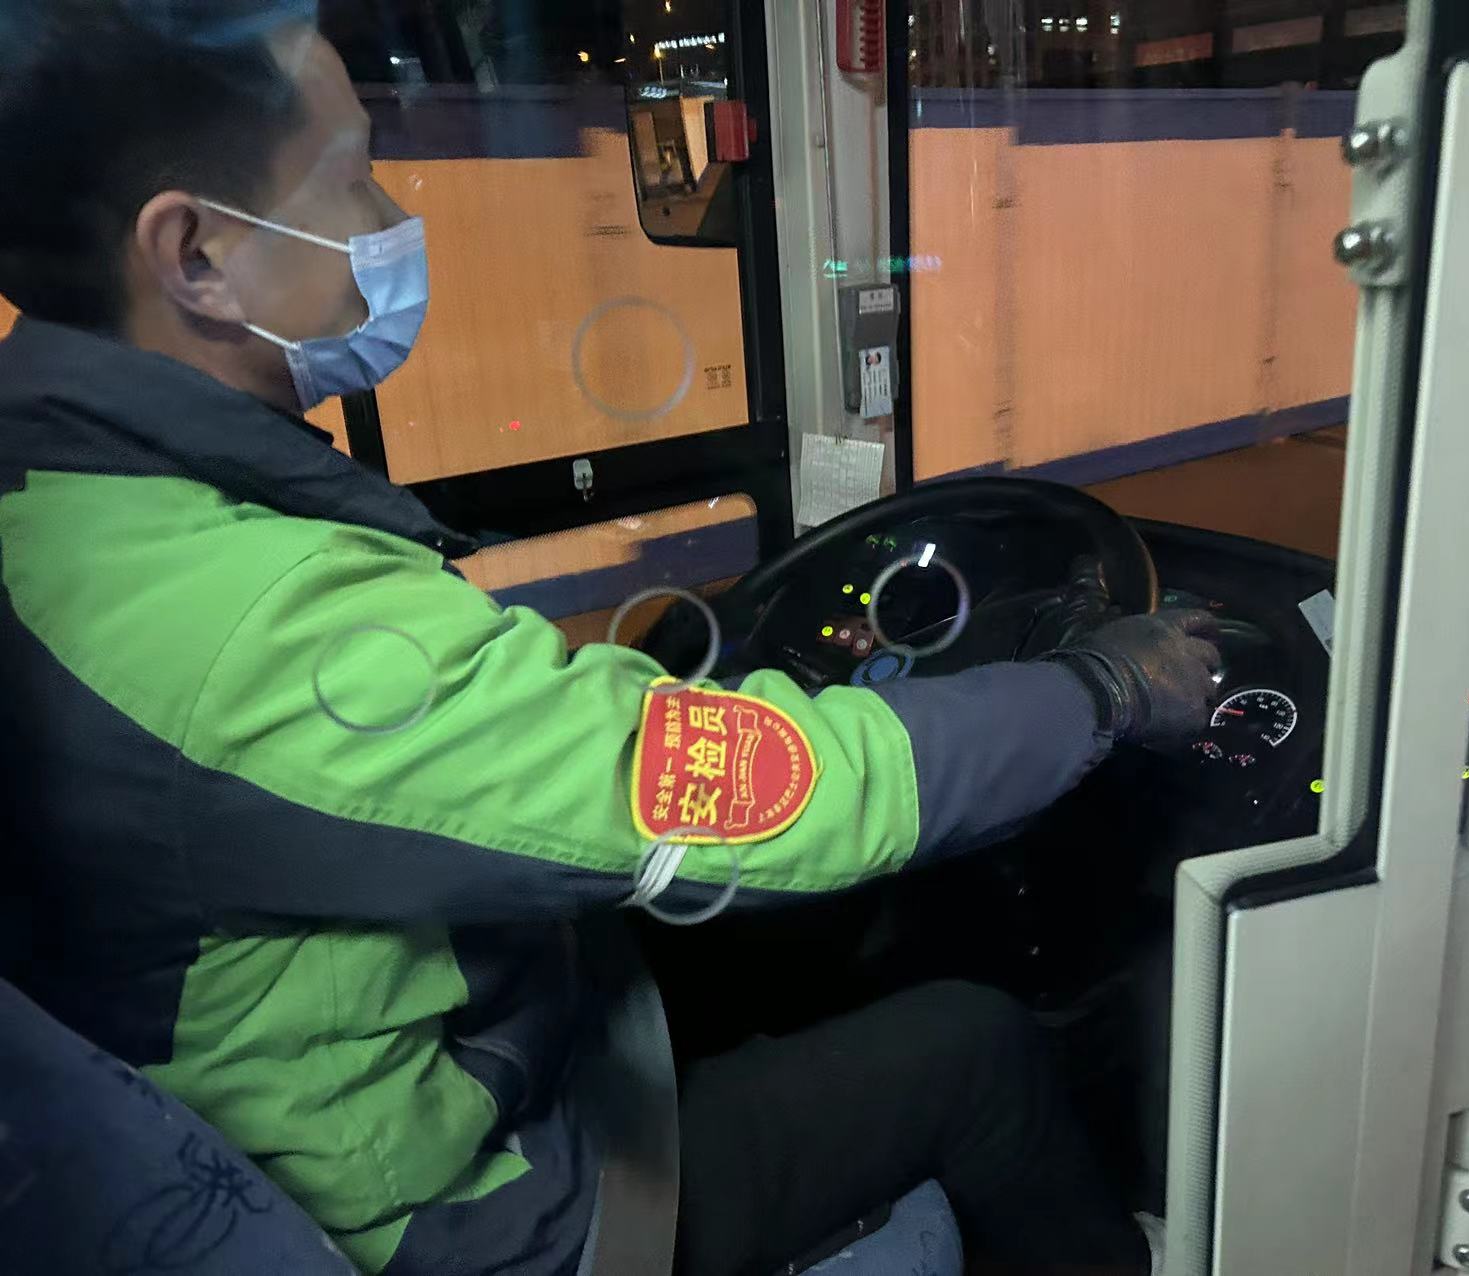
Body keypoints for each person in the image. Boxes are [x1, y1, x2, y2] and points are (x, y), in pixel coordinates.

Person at [0, 5, 1219, 1274]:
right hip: (454, 1211)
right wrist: (1107, 684)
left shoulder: (72, 502)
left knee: (785, 948)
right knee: (977, 1047)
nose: (387, 219)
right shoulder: (248, 621)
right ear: (195, 254)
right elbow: (797, 791)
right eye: (352, 177)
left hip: (406, 1055)